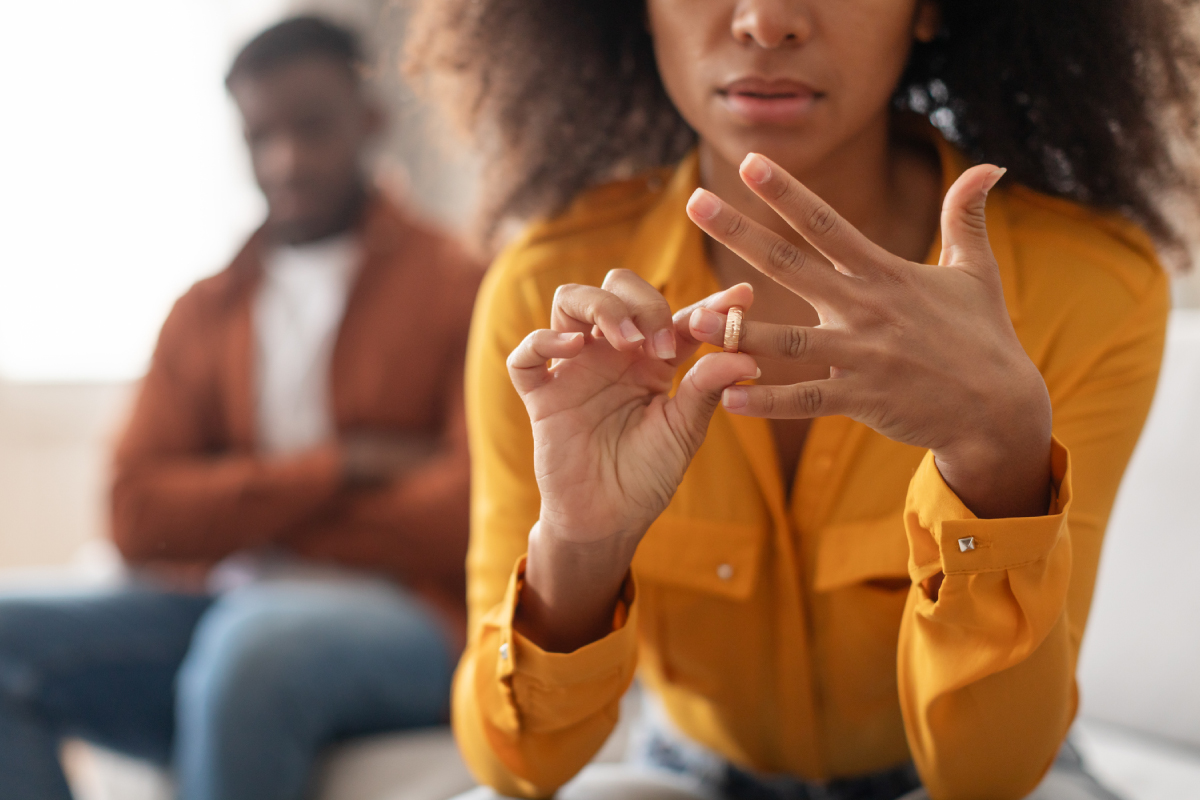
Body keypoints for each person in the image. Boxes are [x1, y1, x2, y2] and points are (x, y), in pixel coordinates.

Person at [407, 1, 1199, 799]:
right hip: (689, 771)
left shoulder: (1088, 290)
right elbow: (515, 767)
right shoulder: (549, 294)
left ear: (927, 10)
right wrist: (581, 549)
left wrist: (998, 470)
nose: (766, 21)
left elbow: (988, 776)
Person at [0, 16, 481, 800]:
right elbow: (135, 510)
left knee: (251, 652)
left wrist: (243, 509)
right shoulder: (206, 309)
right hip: (224, 603)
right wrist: (345, 468)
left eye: (311, 128)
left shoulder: (461, 284)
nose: (285, 159)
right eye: (261, 135)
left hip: (409, 618)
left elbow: (465, 511)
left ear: (370, 121)